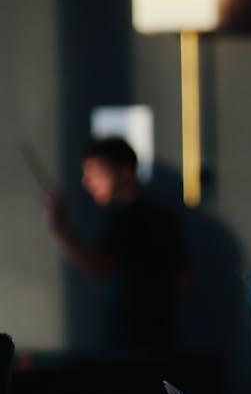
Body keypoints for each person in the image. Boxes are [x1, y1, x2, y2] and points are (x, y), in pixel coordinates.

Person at [43, 137, 186, 353]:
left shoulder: (135, 219)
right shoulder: (157, 217)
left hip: (136, 345)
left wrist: (60, 228)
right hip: (155, 340)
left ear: (126, 172)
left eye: (97, 173)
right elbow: (183, 279)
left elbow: (99, 266)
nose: (88, 182)